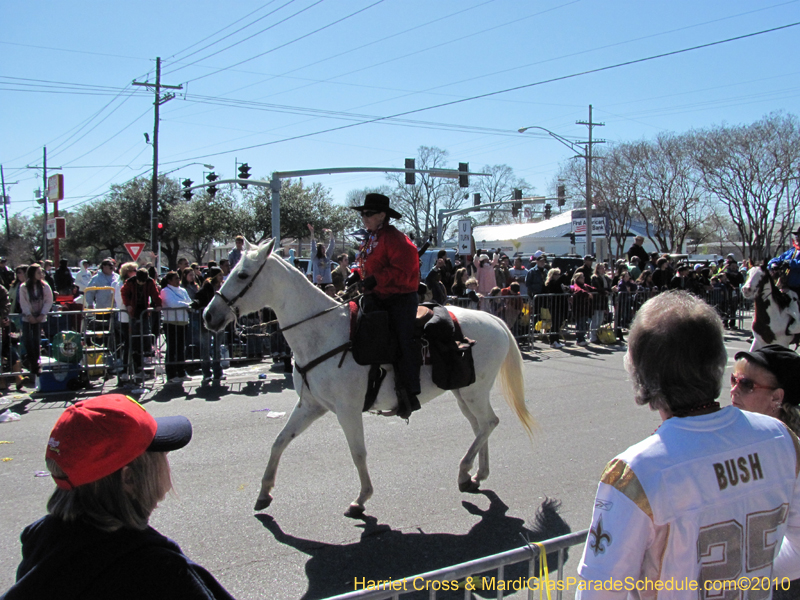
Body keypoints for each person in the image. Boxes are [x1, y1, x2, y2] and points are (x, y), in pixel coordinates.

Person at [577, 292, 800, 598]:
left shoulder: (637, 471)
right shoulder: (781, 438)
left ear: (643, 373)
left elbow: (598, 592)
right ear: (717, 363)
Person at [2, 394, 235, 600]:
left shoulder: (41, 538)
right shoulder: (159, 573)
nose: (167, 462)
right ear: (129, 479)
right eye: (162, 452)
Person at [351, 193, 421, 419]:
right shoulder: (372, 237)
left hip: (399, 299)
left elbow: (405, 269)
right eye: (363, 213)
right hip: (377, 296)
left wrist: (376, 279)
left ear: (383, 215)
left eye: (368, 213)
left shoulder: (396, 238)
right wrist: (356, 275)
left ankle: (408, 394)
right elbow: (367, 265)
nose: (364, 217)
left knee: (403, 341)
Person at [731, 344, 800, 436]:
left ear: (776, 397)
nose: (733, 391)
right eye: (734, 380)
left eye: (746, 384)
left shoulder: (784, 445)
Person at [120, 269, 162, 377]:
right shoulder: (129, 282)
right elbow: (124, 293)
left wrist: (158, 304)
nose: (142, 283)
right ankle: (134, 365)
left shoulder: (150, 282)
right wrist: (128, 304)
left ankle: (146, 356)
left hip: (144, 311)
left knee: (146, 335)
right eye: (140, 281)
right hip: (133, 312)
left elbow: (155, 294)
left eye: (144, 281)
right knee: (134, 339)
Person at [18, 264, 53, 377]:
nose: (41, 274)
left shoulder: (45, 286)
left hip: (40, 316)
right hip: (28, 317)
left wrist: (42, 314)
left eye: (41, 272)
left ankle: (36, 365)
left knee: (36, 340)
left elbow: (49, 300)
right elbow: (23, 302)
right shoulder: (24, 287)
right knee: (28, 340)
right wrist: (29, 315)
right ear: (32, 273)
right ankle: (31, 363)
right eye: (38, 272)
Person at [192, 267, 226, 383]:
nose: (222, 277)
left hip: (219, 321)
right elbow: (199, 298)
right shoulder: (207, 287)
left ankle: (218, 371)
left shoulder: (224, 287)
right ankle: (206, 373)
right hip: (207, 321)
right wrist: (196, 304)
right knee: (205, 348)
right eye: (219, 275)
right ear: (214, 276)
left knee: (217, 348)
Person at [160, 271, 192, 384]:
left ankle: (181, 372)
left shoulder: (183, 290)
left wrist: (186, 304)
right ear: (169, 281)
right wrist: (185, 305)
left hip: (183, 322)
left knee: (181, 349)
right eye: (175, 279)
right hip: (171, 323)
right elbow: (172, 303)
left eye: (178, 278)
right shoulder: (165, 291)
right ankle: (171, 374)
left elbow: (190, 302)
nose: (178, 280)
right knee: (172, 349)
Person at [570, 271, 596, 346]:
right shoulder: (575, 285)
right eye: (581, 277)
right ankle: (579, 339)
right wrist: (587, 294)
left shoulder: (585, 285)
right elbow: (578, 291)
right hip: (578, 307)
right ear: (577, 279)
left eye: (583, 277)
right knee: (580, 324)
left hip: (585, 308)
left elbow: (593, 288)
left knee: (584, 324)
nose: (583, 278)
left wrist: (604, 291)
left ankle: (583, 338)